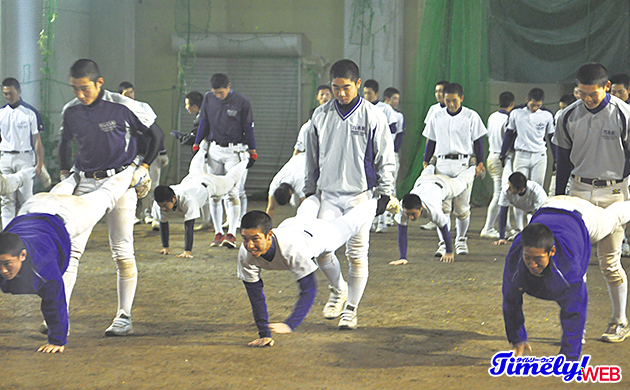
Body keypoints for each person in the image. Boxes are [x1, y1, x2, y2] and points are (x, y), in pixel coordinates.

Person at [55, 58, 163, 337]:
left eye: (84, 88)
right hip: (85, 183)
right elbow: (65, 143)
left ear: (99, 83)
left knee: (122, 251)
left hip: (119, 183)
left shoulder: (123, 106)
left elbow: (156, 135)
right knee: (71, 250)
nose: (79, 94)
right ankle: (58, 314)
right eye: (74, 89)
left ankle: (123, 317)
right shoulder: (71, 111)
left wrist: (144, 166)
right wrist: (65, 174)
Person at [1, 164, 136, 353]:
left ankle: (134, 169)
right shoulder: (12, 256)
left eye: (7, 264)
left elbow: (55, 300)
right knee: (67, 185)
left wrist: (57, 340)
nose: (3, 270)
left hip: (69, 214)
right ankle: (75, 174)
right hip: (34, 205)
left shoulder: (42, 266)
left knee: (106, 194)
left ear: (23, 255)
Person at [304, 59, 396, 330]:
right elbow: (311, 157)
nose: (341, 93)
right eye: (335, 88)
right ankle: (338, 289)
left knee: (357, 255)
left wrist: (385, 194)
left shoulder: (373, 116)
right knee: (321, 250)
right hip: (329, 195)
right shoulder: (320, 115)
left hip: (360, 197)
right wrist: (310, 191)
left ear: (358, 84)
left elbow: (385, 158)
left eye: (346, 88)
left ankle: (351, 310)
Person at [554, 62, 630, 343]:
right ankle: (576, 327)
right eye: (581, 93)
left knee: (610, 261)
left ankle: (619, 321)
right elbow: (562, 160)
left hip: (613, 195)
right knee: (575, 263)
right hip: (578, 192)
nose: (586, 99)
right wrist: (559, 196)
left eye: (592, 94)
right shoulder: (566, 116)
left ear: (606, 87)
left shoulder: (624, 114)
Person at [503, 195, 630, 360]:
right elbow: (510, 300)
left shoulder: (569, 268)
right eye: (528, 258)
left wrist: (570, 357)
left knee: (613, 218)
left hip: (582, 215)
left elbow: (574, 311)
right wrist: (517, 338)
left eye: (538, 259)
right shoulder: (515, 258)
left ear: (552, 252)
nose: (532, 264)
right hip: (550, 204)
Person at [239, 197, 378, 347]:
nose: (249, 245)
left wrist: (290, 324)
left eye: (255, 239)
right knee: (305, 211)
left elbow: (309, 289)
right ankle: (315, 194)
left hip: (320, 235)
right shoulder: (245, 254)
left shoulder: (292, 249)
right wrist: (264, 333)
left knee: (351, 222)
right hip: (291, 225)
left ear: (269, 235)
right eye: (245, 239)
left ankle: (381, 201)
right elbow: (255, 295)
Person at [423, 82, 487, 256]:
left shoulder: (471, 116)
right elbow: (431, 140)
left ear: (462, 98)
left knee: (462, 207)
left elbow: (478, 142)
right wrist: (426, 160)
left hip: (463, 165)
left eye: (454, 101)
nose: (450, 104)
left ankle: (460, 240)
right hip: (442, 164)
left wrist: (480, 162)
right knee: (443, 207)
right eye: (447, 100)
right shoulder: (437, 116)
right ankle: (443, 243)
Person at [193, 73, 256, 248]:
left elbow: (248, 127)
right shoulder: (208, 98)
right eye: (215, 93)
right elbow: (204, 121)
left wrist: (253, 149)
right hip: (214, 149)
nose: (218, 96)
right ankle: (218, 233)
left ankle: (232, 233)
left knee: (232, 193)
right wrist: (198, 142)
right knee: (214, 193)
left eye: (221, 92)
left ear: (229, 86)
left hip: (234, 150)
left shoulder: (242, 101)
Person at [153, 159, 248, 258]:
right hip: (191, 179)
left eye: (165, 205)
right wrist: (165, 247)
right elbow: (163, 223)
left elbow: (189, 227)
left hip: (210, 184)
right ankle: (202, 147)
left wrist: (187, 251)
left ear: (174, 198)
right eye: (161, 206)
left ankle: (246, 159)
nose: (163, 208)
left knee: (231, 179)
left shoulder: (187, 200)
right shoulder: (160, 201)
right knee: (195, 166)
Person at [391, 163, 476, 266]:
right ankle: (431, 163)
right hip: (423, 180)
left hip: (445, 185)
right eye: (408, 214)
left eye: (413, 214)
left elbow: (444, 229)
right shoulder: (401, 208)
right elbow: (402, 233)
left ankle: (474, 167)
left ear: (421, 207)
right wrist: (402, 257)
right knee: (427, 169)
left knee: (462, 182)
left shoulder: (433, 209)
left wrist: (449, 252)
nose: (410, 217)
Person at [118, 81, 169, 226]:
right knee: (130, 185)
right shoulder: (118, 110)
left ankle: (148, 213)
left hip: (150, 153)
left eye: (131, 92)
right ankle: (131, 214)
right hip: (130, 156)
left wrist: (162, 151)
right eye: (126, 94)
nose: (130, 96)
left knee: (152, 185)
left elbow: (156, 131)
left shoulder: (144, 107)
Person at [0, 78, 45, 228]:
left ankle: (26, 231)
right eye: (5, 94)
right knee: (6, 200)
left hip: (24, 157)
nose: (8, 97)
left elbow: (37, 140)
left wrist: (39, 163)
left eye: (11, 93)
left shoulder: (30, 113)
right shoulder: (1, 113)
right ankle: (8, 234)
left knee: (26, 197)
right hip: (5, 157)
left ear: (19, 91)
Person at [363, 79, 400, 233]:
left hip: (384, 153)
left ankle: (383, 222)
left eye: (369, 93)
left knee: (385, 188)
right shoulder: (362, 107)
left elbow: (392, 128)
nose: (366, 96)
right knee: (369, 189)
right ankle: (370, 222)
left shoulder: (385, 109)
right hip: (368, 155)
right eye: (364, 93)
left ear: (376, 93)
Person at [499, 88, 555, 188]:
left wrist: (556, 158)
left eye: (538, 105)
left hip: (539, 155)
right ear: (527, 100)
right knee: (518, 186)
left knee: (537, 187)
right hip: (521, 154)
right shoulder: (516, 112)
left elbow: (552, 138)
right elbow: (509, 134)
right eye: (533, 105)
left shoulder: (547, 115)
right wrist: (503, 153)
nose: (535, 108)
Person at [480, 91, 515, 239]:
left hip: (491, 156)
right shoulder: (508, 119)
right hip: (501, 158)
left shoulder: (492, 116)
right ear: (512, 104)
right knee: (500, 194)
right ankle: (487, 227)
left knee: (503, 194)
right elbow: (508, 140)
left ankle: (506, 227)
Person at [420, 80, 449, 231]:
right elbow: (429, 136)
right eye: (436, 91)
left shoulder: (456, 112)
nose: (438, 94)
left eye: (441, 91)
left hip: (448, 156)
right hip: (436, 155)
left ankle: (449, 220)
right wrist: (427, 156)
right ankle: (434, 218)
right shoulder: (433, 109)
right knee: (433, 187)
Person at [492, 171, 548, 245]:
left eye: (511, 187)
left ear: (521, 189)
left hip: (539, 209)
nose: (508, 188)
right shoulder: (506, 190)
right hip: (524, 207)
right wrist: (501, 237)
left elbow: (541, 215)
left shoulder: (537, 192)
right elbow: (503, 214)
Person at [294, 85, 332, 156]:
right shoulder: (307, 127)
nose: (324, 97)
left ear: (331, 96)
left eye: (327, 94)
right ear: (317, 97)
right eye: (322, 94)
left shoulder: (336, 117)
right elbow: (299, 148)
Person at [265, 153, 305, 219]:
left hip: (311, 160)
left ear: (290, 193)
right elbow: (270, 208)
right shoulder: (274, 184)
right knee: (295, 203)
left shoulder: (300, 184)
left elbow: (304, 209)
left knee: (304, 206)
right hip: (297, 160)